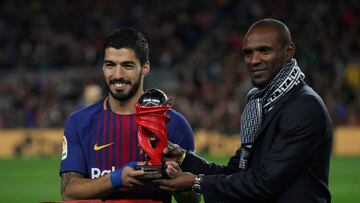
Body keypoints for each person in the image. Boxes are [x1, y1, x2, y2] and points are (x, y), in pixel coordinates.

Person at [156, 18, 333, 203]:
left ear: (289, 51)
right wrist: (183, 158)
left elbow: (265, 183)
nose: (254, 60)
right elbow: (236, 173)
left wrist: (198, 183)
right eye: (248, 53)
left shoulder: (304, 106)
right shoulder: (260, 105)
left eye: (264, 50)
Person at [59, 28, 196, 203]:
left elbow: (192, 199)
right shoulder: (79, 122)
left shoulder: (174, 123)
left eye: (127, 65)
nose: (117, 75)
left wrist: (173, 179)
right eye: (110, 65)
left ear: (145, 67)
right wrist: (116, 179)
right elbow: (69, 192)